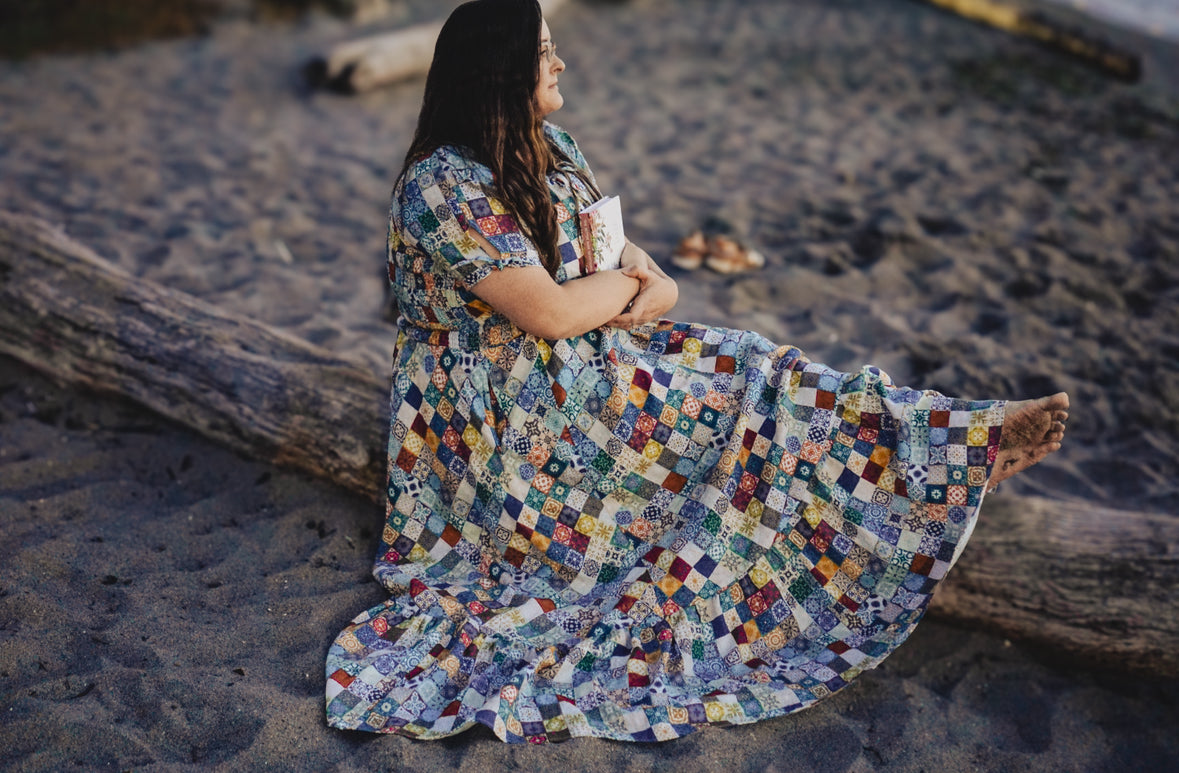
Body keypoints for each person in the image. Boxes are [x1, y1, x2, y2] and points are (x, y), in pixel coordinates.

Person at [325, 0, 1068, 743]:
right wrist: (629, 288)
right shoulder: (441, 185)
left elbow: (631, 263)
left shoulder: (552, 148)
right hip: (502, 416)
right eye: (543, 52)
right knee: (747, 405)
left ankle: (948, 447)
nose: (560, 63)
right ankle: (951, 451)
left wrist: (646, 287)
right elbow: (550, 312)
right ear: (499, 71)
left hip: (591, 362)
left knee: (760, 367)